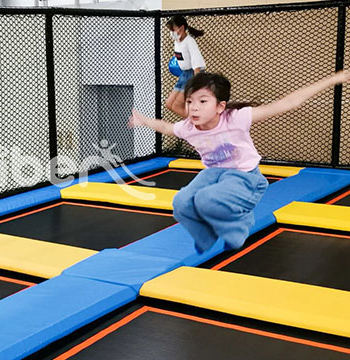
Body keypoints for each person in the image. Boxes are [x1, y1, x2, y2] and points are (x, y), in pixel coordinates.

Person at [129, 71, 350, 253]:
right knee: (181, 203)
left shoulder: (236, 119)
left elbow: (289, 103)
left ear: (220, 106)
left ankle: (240, 225)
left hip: (245, 176)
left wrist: (334, 79)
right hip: (213, 173)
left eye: (202, 101)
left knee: (206, 199)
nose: (193, 108)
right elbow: (167, 127)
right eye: (189, 102)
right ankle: (204, 238)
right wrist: (144, 121)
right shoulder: (188, 127)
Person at [166, 15, 206, 118]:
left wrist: (195, 84)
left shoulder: (190, 42)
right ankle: (193, 122)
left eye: (173, 29)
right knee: (169, 104)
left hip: (192, 74)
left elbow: (196, 62)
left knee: (178, 105)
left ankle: (195, 125)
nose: (171, 32)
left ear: (182, 28)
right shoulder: (177, 41)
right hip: (183, 74)